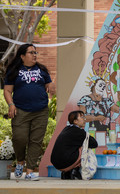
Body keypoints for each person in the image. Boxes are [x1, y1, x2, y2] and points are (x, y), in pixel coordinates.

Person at [4, 43, 54, 181]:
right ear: (22, 56)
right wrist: (11, 104)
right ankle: (20, 161)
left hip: (41, 111)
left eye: (35, 52)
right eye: (31, 52)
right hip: (20, 110)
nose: (34, 55)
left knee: (35, 141)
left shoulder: (42, 70)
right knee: (19, 138)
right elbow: (7, 91)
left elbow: (49, 85)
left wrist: (51, 86)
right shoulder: (14, 71)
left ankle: (30, 171)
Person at [51, 111, 98, 179]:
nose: (84, 119)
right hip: (66, 162)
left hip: (56, 163)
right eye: (82, 117)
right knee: (85, 148)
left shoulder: (66, 129)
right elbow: (94, 144)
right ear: (75, 121)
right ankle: (75, 171)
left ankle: (67, 172)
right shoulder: (79, 132)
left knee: (75, 147)